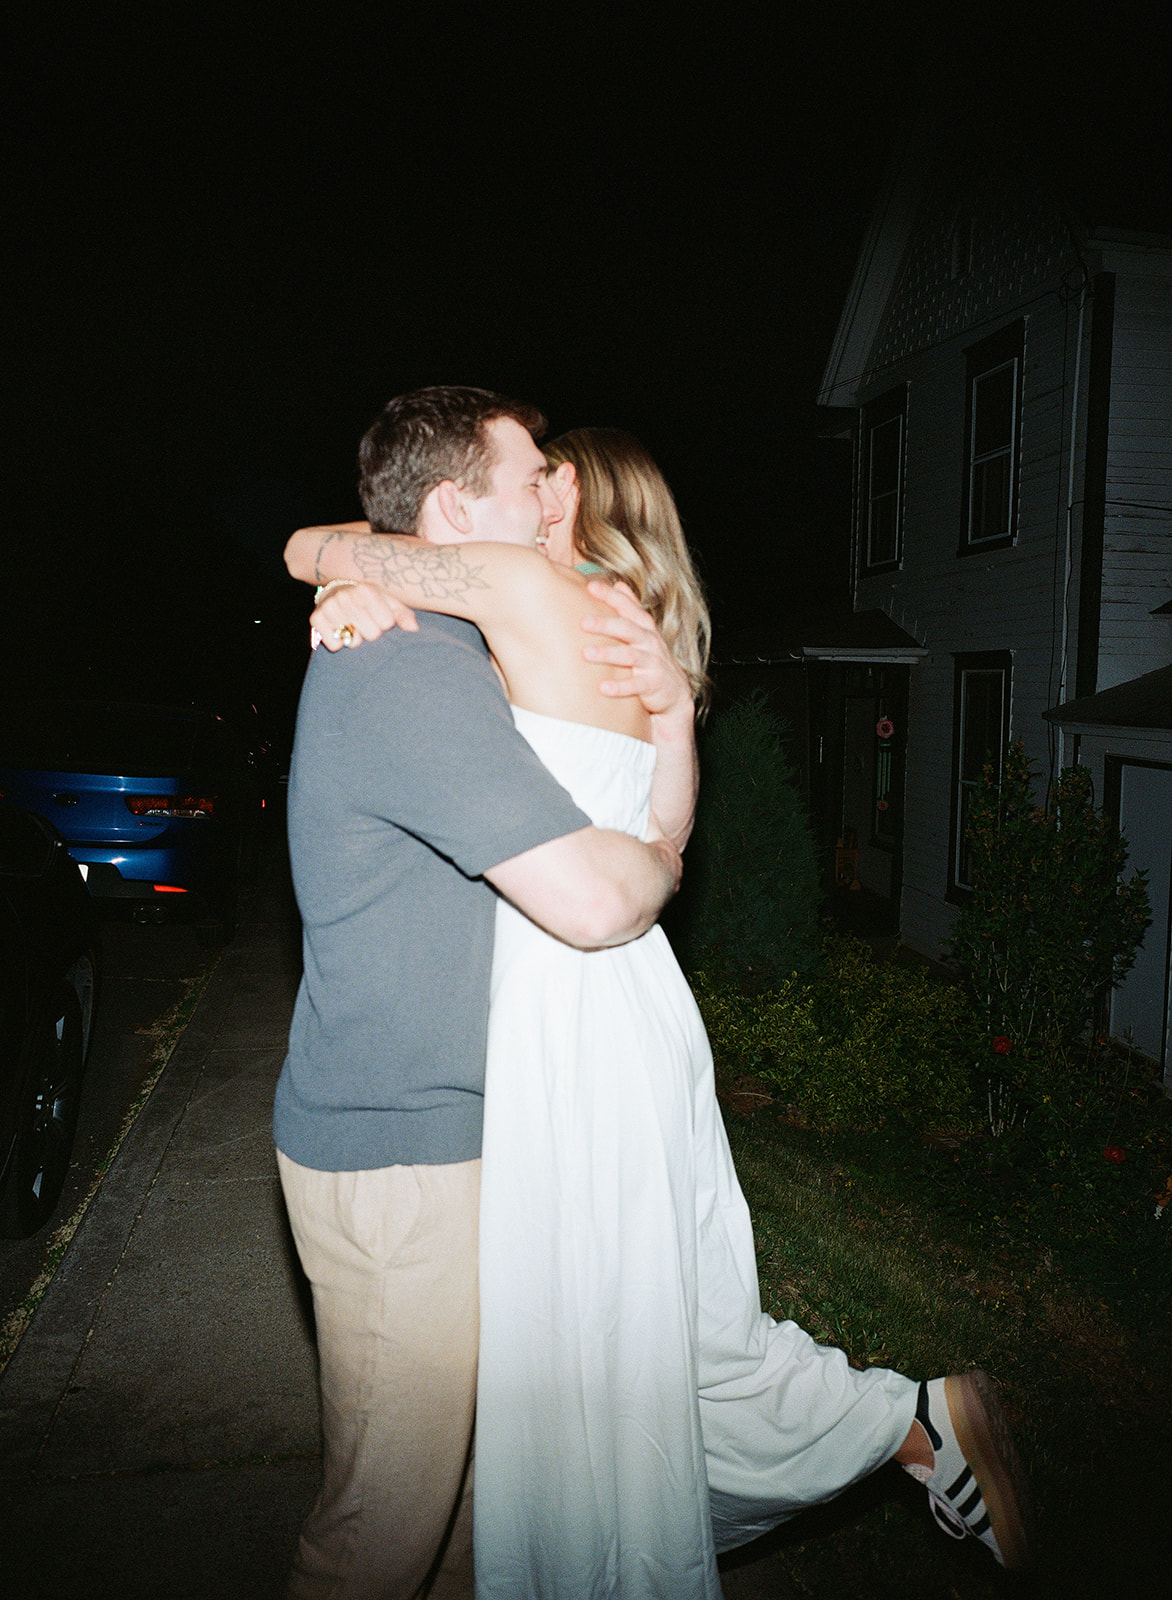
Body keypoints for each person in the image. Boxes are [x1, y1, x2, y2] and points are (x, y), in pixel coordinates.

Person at [296, 426, 1034, 1596]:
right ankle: (900, 1426)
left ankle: (885, 1433)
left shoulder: (532, 590)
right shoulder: (623, 621)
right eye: (526, 464)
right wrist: (672, 749)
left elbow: (310, 542)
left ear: (570, 499)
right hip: (638, 1001)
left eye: (549, 468)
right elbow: (669, 834)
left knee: (611, 1339)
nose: (541, 478)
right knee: (658, 1327)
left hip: (571, 1008)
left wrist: (342, 574)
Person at [275, 387, 696, 1600]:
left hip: (462, 1137)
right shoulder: (412, 669)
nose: (551, 497)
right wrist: (662, 865)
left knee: (462, 1521)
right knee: (378, 1532)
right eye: (529, 482)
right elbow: (586, 898)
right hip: (399, 1154)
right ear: (455, 510)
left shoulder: (455, 647)